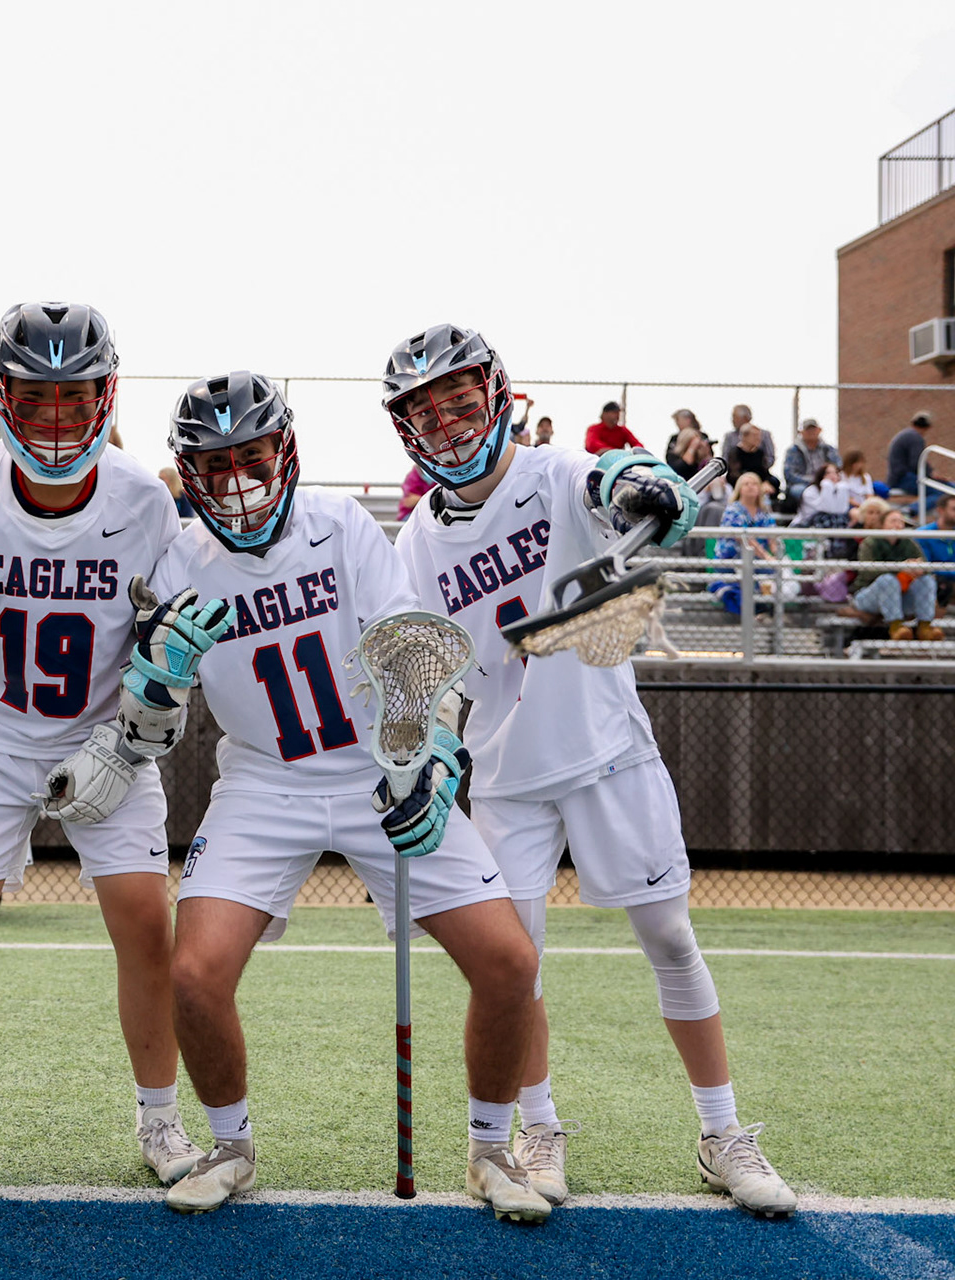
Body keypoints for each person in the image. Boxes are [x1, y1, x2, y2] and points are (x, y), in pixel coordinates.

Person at [384, 324, 795, 1219]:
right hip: (503, 777)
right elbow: (430, 659)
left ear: (496, 396)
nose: (448, 423)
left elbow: (614, 479)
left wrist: (644, 480)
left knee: (671, 939)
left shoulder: (553, 471)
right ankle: (538, 1127)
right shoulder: (417, 535)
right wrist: (430, 742)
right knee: (517, 968)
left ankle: (721, 1133)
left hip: (609, 752)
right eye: (427, 411)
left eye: (459, 400)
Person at [148, 369, 547, 1221]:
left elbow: (413, 649)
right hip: (264, 782)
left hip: (378, 766)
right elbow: (152, 718)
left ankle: (489, 1149)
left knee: (510, 962)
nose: (238, 481)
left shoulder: (339, 527)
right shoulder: (178, 560)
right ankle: (230, 1143)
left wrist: (430, 756)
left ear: (284, 450)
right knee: (192, 974)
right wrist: (155, 682)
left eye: (251, 456)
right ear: (190, 472)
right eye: (215, 466)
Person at [0, 304, 205, 1190]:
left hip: (105, 738)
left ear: (104, 397)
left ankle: (161, 1119)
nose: (55, 417)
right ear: (4, 396)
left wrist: (133, 732)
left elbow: (164, 642)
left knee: (146, 923)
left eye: (73, 398)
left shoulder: (144, 501)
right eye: (36, 397)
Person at [854, 509, 942, 641]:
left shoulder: (908, 543)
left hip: (901, 597)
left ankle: (925, 627)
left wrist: (917, 568)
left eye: (900, 522)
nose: (897, 525)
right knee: (888, 580)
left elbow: (925, 566)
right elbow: (867, 572)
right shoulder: (870, 542)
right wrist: (900, 567)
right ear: (882, 525)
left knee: (926, 580)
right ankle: (896, 627)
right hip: (869, 595)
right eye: (893, 521)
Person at [711, 473, 779, 614]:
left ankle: (768, 613)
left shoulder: (764, 513)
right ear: (739, 489)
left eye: (754, 484)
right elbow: (743, 538)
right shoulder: (733, 510)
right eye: (746, 484)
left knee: (778, 576)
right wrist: (767, 557)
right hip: (731, 560)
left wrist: (776, 554)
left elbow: (772, 537)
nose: (750, 487)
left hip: (757, 562)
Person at [780, 418, 840, 512]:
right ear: (801, 432)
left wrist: (826, 480)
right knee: (799, 491)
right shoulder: (793, 451)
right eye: (808, 430)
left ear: (819, 430)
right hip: (802, 484)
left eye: (813, 429)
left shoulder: (829, 449)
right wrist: (812, 481)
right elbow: (789, 474)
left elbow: (838, 467)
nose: (811, 432)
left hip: (827, 483)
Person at [886, 411, 936, 502]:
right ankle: (912, 509)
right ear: (928, 427)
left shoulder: (906, 434)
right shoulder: (916, 438)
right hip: (903, 479)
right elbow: (917, 463)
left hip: (897, 477)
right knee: (940, 491)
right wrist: (930, 475)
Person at [720, 421, 778, 498]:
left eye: (759, 436)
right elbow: (734, 474)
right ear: (745, 437)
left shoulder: (760, 453)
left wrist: (766, 482)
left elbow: (764, 471)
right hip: (741, 482)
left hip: (759, 482)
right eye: (755, 436)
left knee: (774, 482)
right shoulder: (735, 453)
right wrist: (755, 484)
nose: (758, 439)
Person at [917, 492, 955, 606]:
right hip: (936, 579)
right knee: (942, 585)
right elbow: (926, 567)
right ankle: (934, 622)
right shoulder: (924, 534)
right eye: (953, 509)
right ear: (941, 510)